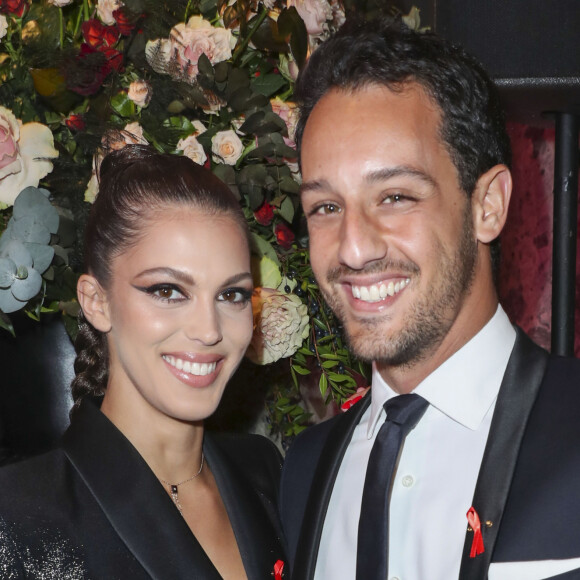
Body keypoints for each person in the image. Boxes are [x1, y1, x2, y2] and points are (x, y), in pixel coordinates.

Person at [279, 17, 580, 580]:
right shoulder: (302, 472)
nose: (353, 247)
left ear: (487, 205)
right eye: (325, 206)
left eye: (394, 196)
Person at [0, 145, 286, 579]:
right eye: (168, 290)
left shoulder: (266, 472)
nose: (209, 330)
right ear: (97, 302)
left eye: (232, 295)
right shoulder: (19, 513)